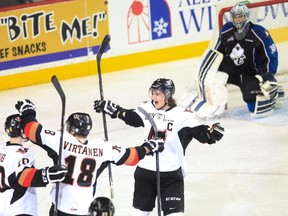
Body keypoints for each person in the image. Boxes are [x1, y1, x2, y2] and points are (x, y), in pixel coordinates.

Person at [93, 78, 225, 216]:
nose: (154, 97)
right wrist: (115, 110)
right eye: (153, 93)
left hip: (171, 174)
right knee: (139, 214)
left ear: (167, 96)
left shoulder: (182, 115)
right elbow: (132, 117)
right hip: (145, 171)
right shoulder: (147, 108)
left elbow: (200, 133)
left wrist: (212, 134)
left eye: (158, 94)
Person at [14, 99, 164, 216]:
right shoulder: (101, 148)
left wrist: (27, 112)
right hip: (84, 209)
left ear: (71, 130)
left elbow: (31, 130)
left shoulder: (62, 141)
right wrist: (149, 146)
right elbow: (132, 157)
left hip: (60, 209)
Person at [188, 2, 284, 118]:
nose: (238, 20)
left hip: (251, 74)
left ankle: (275, 92)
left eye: (240, 16)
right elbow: (218, 53)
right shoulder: (226, 30)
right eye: (235, 17)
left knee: (255, 108)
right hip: (231, 71)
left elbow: (270, 56)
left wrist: (267, 76)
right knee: (214, 78)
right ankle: (216, 108)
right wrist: (209, 71)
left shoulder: (259, 33)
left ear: (246, 17)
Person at [0, 114, 68, 216]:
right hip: (20, 209)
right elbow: (24, 176)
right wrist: (46, 174)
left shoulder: (2, 148)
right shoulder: (24, 153)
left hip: (3, 208)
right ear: (22, 130)